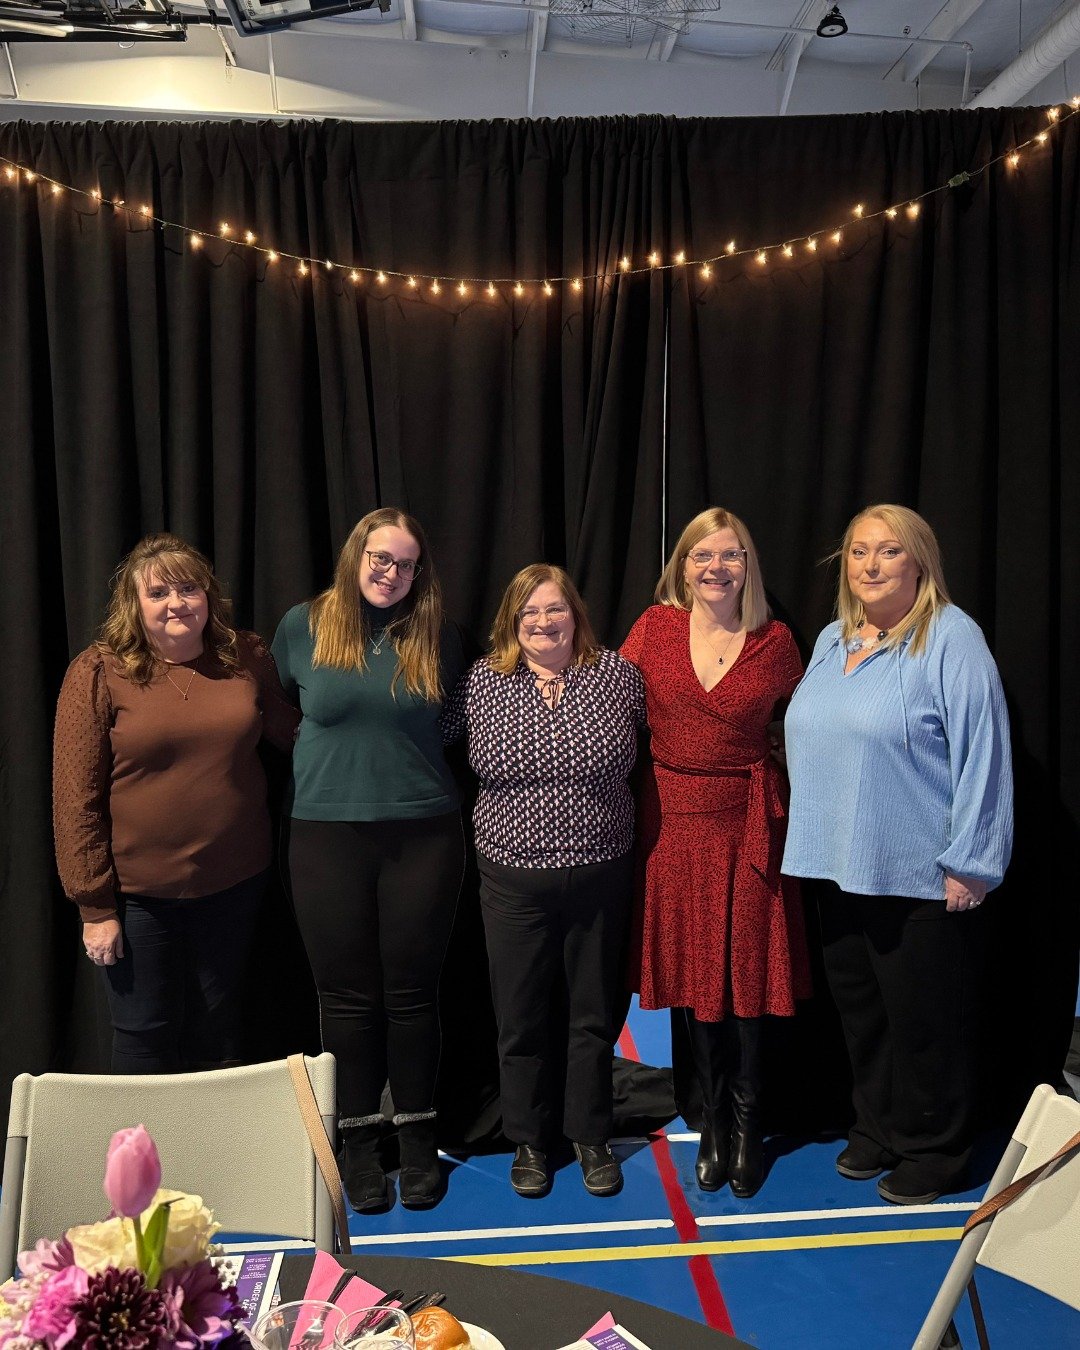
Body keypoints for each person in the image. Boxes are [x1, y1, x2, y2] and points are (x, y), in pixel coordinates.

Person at [782, 504, 1013, 1205]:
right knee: (863, 1014)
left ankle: (937, 1151)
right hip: (836, 867)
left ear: (919, 562)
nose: (871, 566)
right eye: (858, 553)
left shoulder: (950, 638)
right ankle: (879, 1127)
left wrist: (971, 860)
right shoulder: (831, 639)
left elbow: (984, 755)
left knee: (925, 1027)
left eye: (888, 552)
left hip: (918, 874)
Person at [272, 508, 467, 1213]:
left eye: (406, 564)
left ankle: (415, 1139)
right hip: (325, 836)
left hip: (424, 835)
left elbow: (452, 724)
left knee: (414, 994)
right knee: (346, 1000)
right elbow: (283, 709)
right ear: (356, 556)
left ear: (421, 572)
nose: (391, 574)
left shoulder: (437, 635)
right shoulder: (303, 627)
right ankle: (356, 1144)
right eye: (380, 559)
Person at [53, 533, 299, 1073]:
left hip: (235, 884)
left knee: (221, 1028)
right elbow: (76, 801)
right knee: (144, 1037)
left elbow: (296, 738)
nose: (176, 603)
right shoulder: (98, 671)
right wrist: (95, 907)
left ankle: (211, 1156)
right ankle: (142, 1160)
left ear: (208, 596)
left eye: (188, 588)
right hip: (138, 898)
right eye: (159, 592)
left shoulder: (245, 657)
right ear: (134, 605)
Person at [621, 507, 810, 1199]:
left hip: (750, 823)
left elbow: (814, 724)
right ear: (683, 565)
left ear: (747, 567)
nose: (715, 568)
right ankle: (708, 1123)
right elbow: (610, 705)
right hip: (675, 825)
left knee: (750, 980)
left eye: (730, 555)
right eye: (702, 555)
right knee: (699, 980)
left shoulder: (777, 641)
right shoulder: (654, 628)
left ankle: (746, 1122)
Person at [442, 564, 645, 1198]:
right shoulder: (482, 682)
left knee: (592, 1015)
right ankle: (529, 1139)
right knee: (520, 1016)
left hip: (600, 874)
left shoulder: (618, 677)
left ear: (575, 614)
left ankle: (589, 1134)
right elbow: (429, 737)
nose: (542, 621)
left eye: (554, 608)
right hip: (512, 881)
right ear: (511, 622)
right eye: (528, 612)